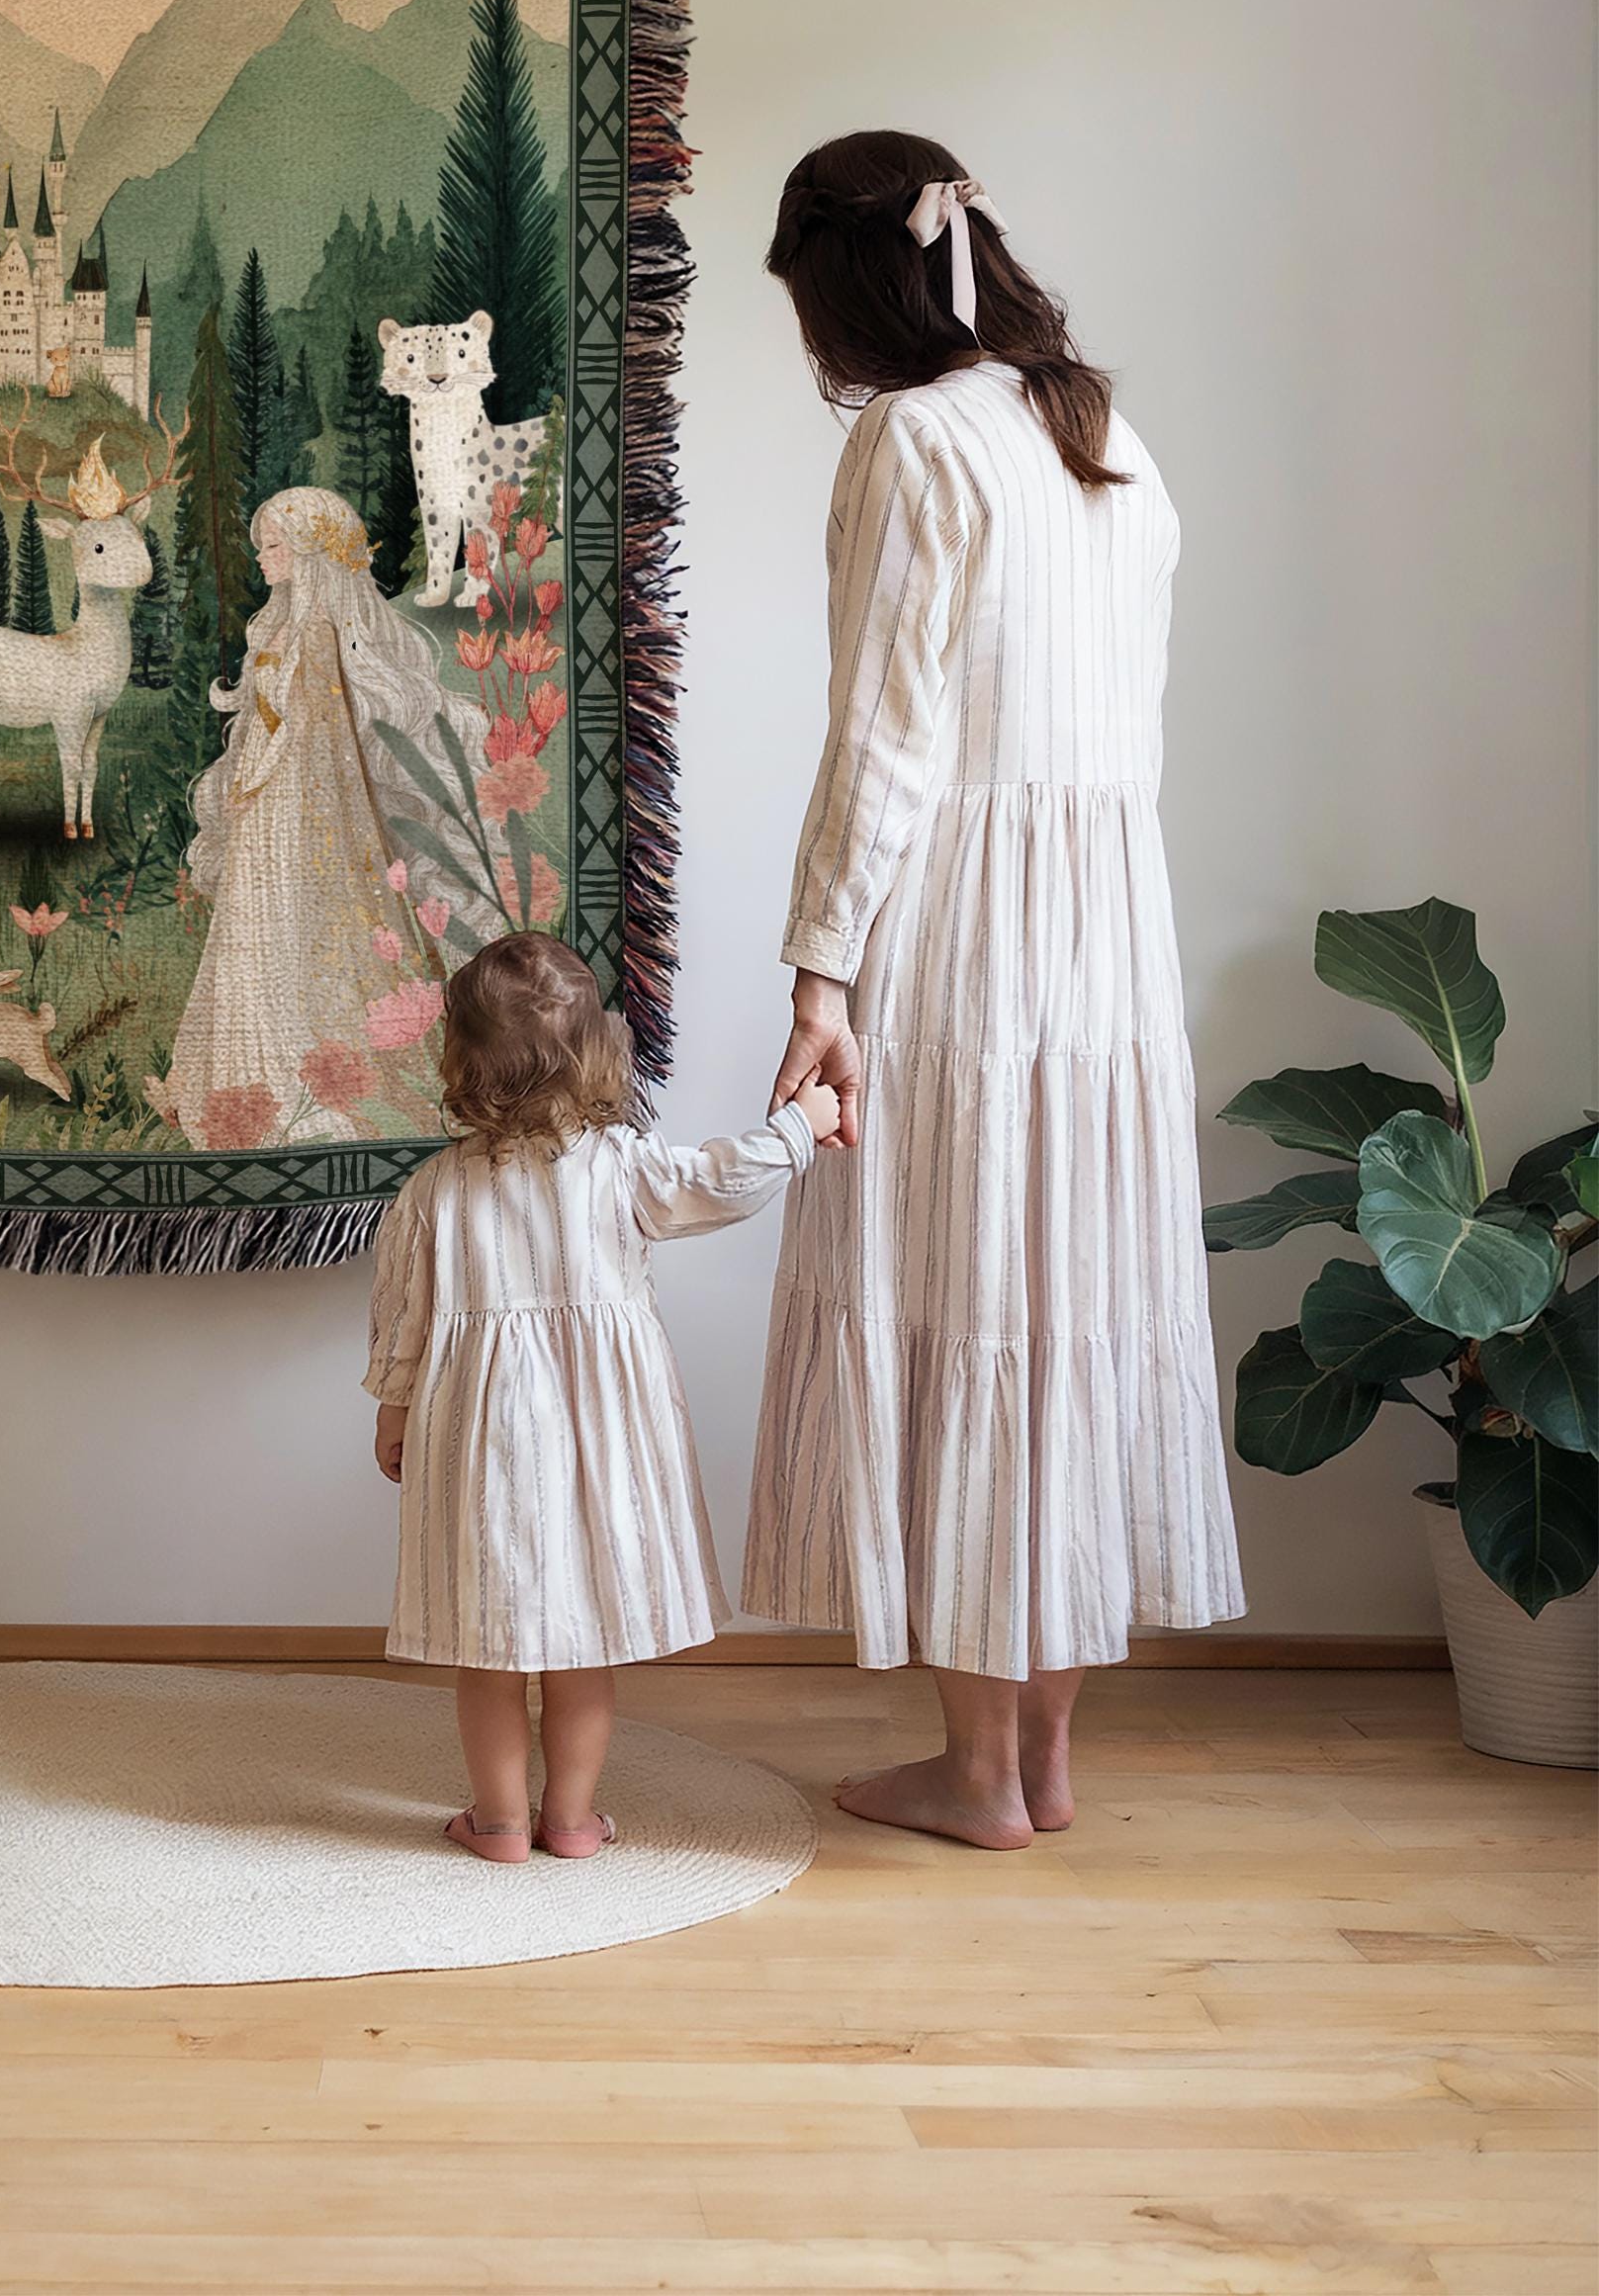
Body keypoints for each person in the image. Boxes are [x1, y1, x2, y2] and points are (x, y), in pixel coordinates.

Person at [743, 132, 1245, 1851]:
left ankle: (974, 1777)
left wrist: (821, 970)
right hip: (1108, 932)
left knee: (967, 1289)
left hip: (966, 925)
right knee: (1070, 1301)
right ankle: (1043, 1760)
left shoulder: (915, 436)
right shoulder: (1103, 431)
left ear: (846, 287)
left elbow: (883, 737)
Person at [366, 932, 837, 1862]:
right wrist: (800, 1127)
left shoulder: (432, 1193)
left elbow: (403, 1319)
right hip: (601, 1443)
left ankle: (499, 1822)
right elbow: (720, 1180)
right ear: (597, 1054)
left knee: (488, 1646)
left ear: (461, 1060)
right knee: (581, 1644)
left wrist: (394, 1409)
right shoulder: (622, 1166)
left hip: (479, 1443)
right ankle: (573, 1820)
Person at [159, 486, 479, 1148]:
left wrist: (261, 776)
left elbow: (314, 729)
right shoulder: (280, 625)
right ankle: (236, 1081)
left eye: (274, 546)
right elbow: (265, 722)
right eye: (261, 547)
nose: (263, 558)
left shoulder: (317, 631)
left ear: (309, 553)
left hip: (293, 807)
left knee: (282, 927)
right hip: (261, 802)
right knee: (251, 928)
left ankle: (285, 1082)